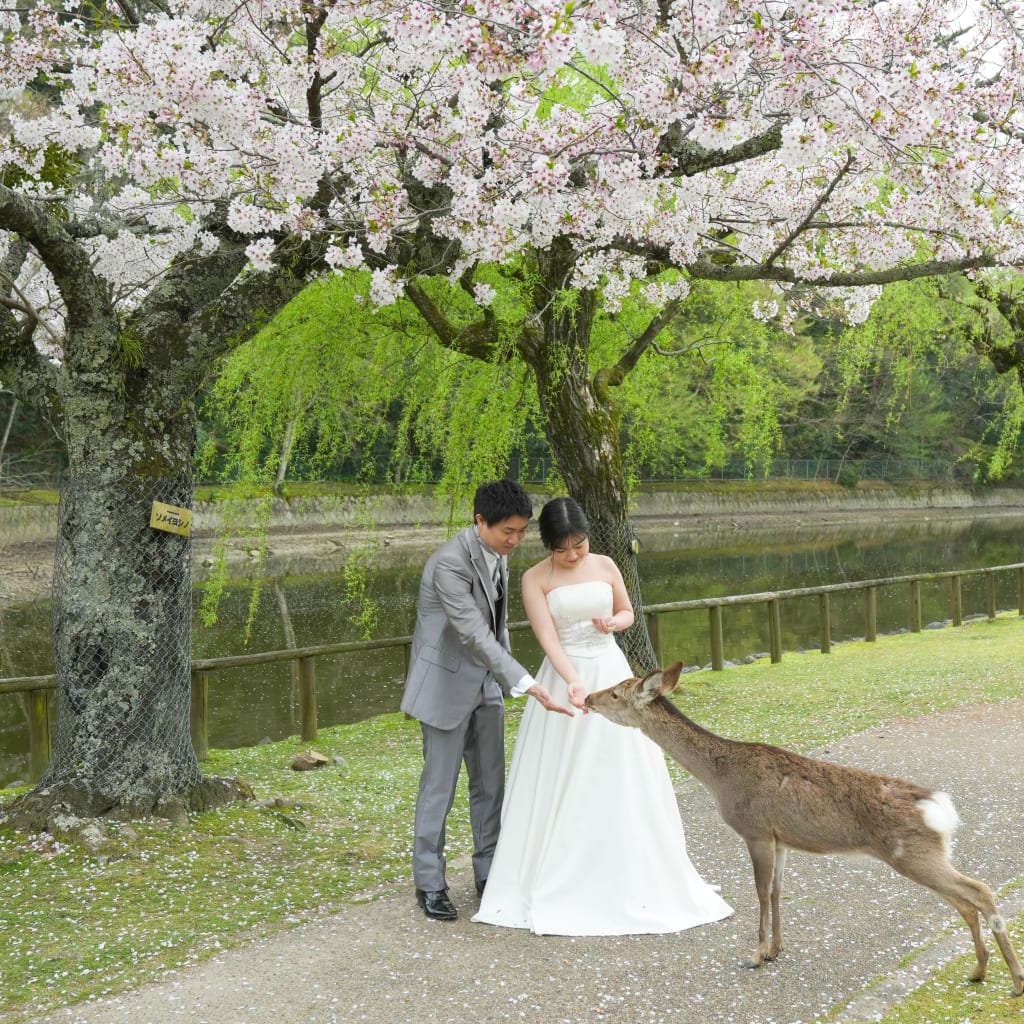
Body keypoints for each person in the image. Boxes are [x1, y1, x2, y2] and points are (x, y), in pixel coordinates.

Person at [472, 496, 733, 935]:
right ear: (548, 546)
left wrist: (615, 623)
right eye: (563, 549)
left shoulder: (607, 564)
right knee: (564, 771)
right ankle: (557, 869)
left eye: (579, 545)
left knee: (623, 768)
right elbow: (548, 638)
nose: (573, 555)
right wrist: (573, 680)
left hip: (611, 672)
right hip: (566, 676)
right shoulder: (536, 578)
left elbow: (628, 612)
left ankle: (633, 866)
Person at [401, 479, 573, 922]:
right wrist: (525, 681)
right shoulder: (448, 564)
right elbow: (472, 633)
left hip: (487, 688)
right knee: (439, 788)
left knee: (491, 786)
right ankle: (430, 882)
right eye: (507, 532)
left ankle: (488, 873)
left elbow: (497, 628)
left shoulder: (499, 557)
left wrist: (501, 679)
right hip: (444, 689)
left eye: (521, 532)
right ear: (481, 521)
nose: (516, 541)